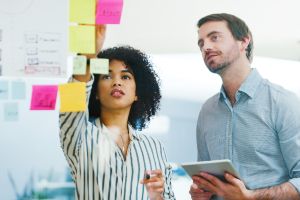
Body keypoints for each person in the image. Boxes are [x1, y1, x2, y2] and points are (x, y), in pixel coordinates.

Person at [189, 13, 300, 200]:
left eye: (214, 37)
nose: (206, 47)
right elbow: (205, 178)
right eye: (201, 44)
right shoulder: (207, 111)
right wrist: (200, 192)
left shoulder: (283, 103)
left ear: (243, 41)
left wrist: (250, 197)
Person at [59, 25, 175, 200]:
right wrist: (87, 55)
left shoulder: (154, 147)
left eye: (125, 76)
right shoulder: (81, 137)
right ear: (95, 92)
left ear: (138, 93)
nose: (117, 82)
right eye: (107, 76)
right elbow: (73, 99)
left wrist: (157, 196)